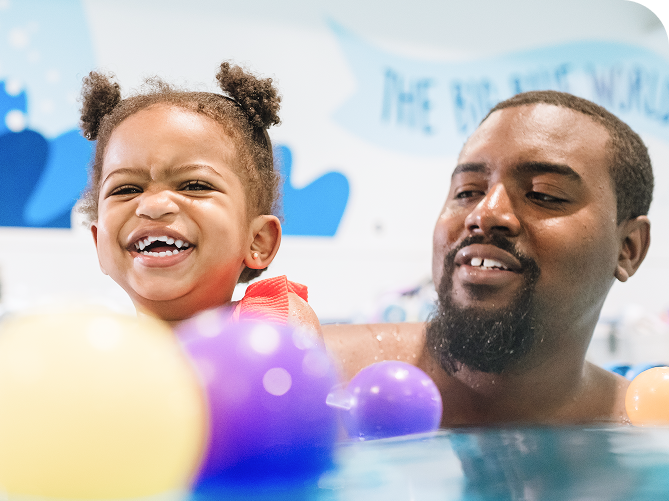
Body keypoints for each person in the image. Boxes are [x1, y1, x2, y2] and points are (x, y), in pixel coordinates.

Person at [323, 91, 652, 426]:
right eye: (467, 191)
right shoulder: (318, 378)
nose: (485, 213)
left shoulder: (648, 428)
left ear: (628, 248)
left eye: (543, 194)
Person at [76, 63, 322, 335]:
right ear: (99, 244)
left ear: (258, 241)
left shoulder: (268, 324)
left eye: (193, 185)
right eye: (126, 189)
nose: (153, 206)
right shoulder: (95, 348)